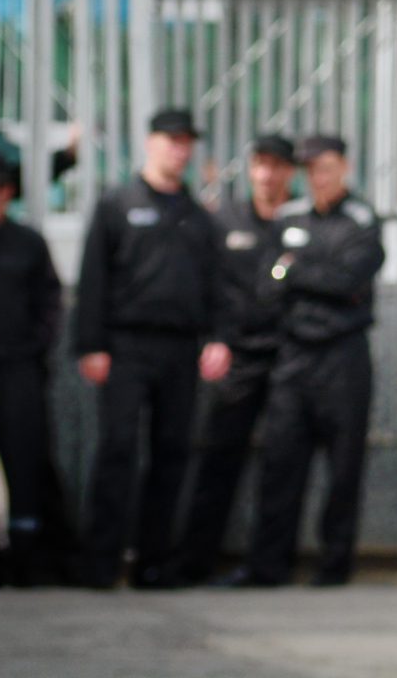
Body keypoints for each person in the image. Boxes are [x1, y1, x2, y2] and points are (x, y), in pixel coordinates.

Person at [73, 108, 230, 589]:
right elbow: (93, 278)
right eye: (170, 140)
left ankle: (153, 562)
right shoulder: (117, 203)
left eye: (185, 142)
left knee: (171, 453)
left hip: (181, 349)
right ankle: (101, 563)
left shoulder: (195, 214)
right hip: (126, 346)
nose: (178, 150)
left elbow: (214, 285)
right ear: (150, 142)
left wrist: (218, 338)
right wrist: (91, 345)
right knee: (118, 449)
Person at [230, 134, 385, 587]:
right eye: (311, 169)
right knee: (280, 464)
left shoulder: (362, 218)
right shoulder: (289, 217)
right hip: (294, 356)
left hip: (344, 356)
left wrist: (295, 270)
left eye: (326, 167)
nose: (319, 177)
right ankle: (268, 565)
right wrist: (302, 275)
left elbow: (351, 279)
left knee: (343, 468)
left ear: (344, 167)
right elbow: (267, 284)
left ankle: (334, 567)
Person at [172, 134, 298, 585]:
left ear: (291, 172)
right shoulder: (223, 220)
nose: (268, 175)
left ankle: (268, 566)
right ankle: (192, 563)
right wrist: (215, 339)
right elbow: (205, 285)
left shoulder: (300, 221)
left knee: (282, 464)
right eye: (261, 164)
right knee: (217, 459)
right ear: (250, 168)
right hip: (236, 356)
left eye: (278, 166)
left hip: (289, 357)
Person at [0, 151, 75, 586]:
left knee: (24, 462)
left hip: (19, 368)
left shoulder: (27, 242)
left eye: (0, 190)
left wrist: (34, 347)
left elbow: (51, 301)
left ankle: (27, 559)